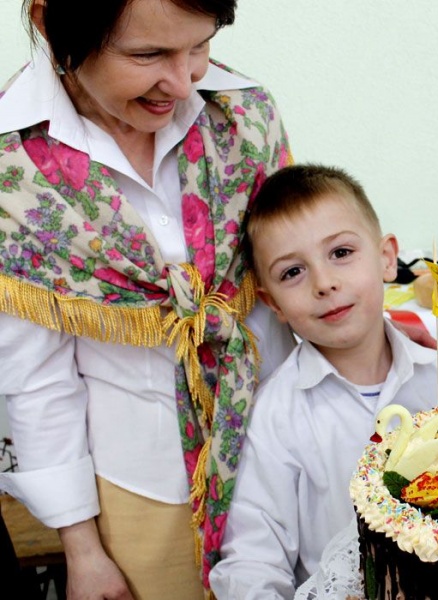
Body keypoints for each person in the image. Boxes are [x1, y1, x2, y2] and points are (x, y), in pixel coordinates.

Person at [0, 1, 296, 597]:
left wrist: (370, 336)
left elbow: (295, 263)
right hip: (139, 490)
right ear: (51, 23)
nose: (183, 82)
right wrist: (81, 550)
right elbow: (36, 379)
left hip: (286, 453)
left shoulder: (242, 115)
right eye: (147, 55)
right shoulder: (15, 172)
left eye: (199, 46)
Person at [208, 164, 438, 599]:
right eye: (293, 272)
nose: (325, 283)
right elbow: (253, 560)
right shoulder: (276, 414)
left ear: (387, 258)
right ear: (272, 301)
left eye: (341, 253)